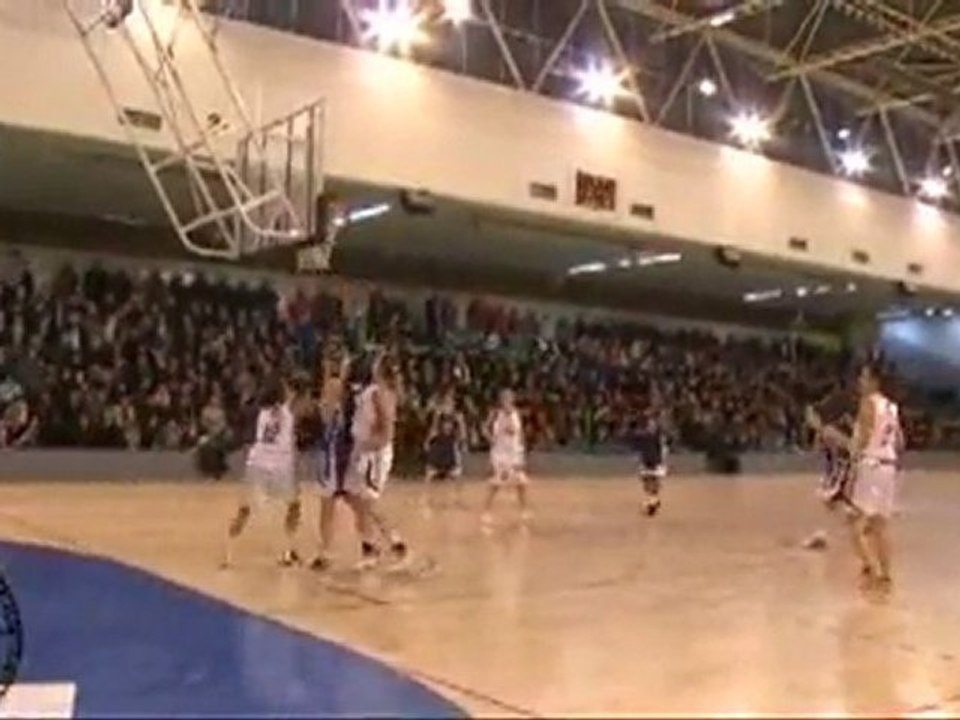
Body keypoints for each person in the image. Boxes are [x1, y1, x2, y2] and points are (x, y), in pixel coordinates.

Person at [809, 363, 903, 591]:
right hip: (889, 466)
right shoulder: (892, 407)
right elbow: (899, 441)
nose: (860, 382)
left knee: (854, 522)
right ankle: (886, 575)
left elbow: (860, 444)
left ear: (873, 381)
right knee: (880, 525)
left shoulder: (868, 403)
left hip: (870, 465)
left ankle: (871, 568)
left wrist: (832, 435)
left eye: (863, 378)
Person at [221, 376, 301, 568]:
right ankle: (287, 551)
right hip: (279, 465)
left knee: (244, 510)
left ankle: (228, 554)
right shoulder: (288, 413)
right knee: (294, 506)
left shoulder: (261, 413)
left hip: (257, 462)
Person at [344, 354, 409, 570]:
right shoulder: (370, 391)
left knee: (370, 503)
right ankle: (370, 547)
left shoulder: (382, 395)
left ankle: (397, 545)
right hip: (363, 450)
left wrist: (365, 447)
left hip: (374, 454)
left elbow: (386, 434)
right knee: (352, 497)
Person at [482, 389, 531, 527]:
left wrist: (522, 452)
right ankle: (487, 510)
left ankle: (524, 509)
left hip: (514, 451)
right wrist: (491, 439)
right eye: (505, 399)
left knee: (520, 482)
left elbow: (520, 434)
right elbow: (484, 428)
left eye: (510, 398)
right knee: (497, 482)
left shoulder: (516, 414)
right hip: (500, 452)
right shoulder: (495, 413)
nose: (507, 401)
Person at [422, 388, 467, 510]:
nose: (448, 403)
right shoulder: (439, 414)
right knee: (430, 474)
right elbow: (434, 429)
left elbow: (462, 433)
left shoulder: (458, 416)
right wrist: (428, 441)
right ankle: (426, 499)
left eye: (450, 401)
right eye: (446, 401)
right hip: (439, 445)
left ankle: (458, 499)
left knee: (457, 475)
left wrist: (462, 444)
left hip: (451, 446)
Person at [633, 413, 668, 517]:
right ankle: (653, 501)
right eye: (650, 425)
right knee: (649, 483)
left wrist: (661, 461)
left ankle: (652, 503)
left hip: (653, 462)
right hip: (649, 462)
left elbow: (662, 449)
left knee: (651, 483)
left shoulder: (655, 437)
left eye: (652, 425)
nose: (651, 427)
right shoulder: (647, 436)